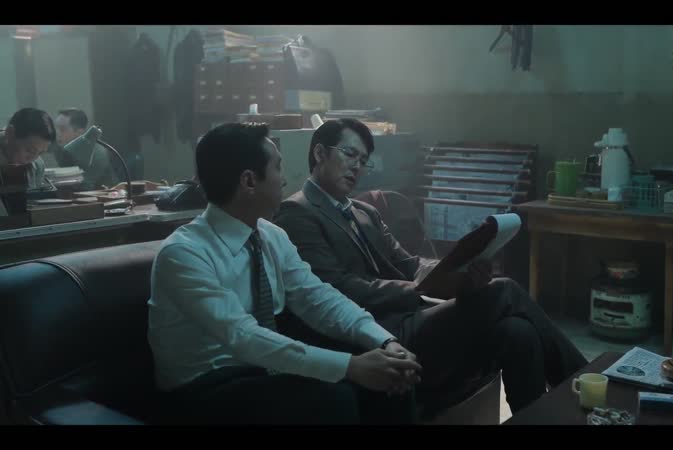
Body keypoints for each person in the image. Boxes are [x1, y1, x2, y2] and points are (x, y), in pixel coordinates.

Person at [274, 118, 589, 414]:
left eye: (363, 160)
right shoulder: (297, 213)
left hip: (409, 317)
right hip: (374, 332)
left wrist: (454, 272)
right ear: (320, 153)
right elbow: (338, 288)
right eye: (349, 154)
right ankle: (589, 382)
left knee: (518, 332)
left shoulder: (364, 212)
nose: (357, 166)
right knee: (505, 290)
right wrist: (418, 291)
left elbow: (410, 263)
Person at [147, 122, 421, 425]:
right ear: (249, 181)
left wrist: (384, 342)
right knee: (334, 398)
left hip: (261, 371)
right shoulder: (184, 253)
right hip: (203, 387)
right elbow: (243, 337)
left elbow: (319, 298)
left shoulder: (271, 236)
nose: (285, 179)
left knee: (389, 376)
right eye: (278, 168)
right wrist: (351, 367)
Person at [53, 108, 117, 189]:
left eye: (62, 129)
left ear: (79, 132)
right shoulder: (62, 149)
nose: (56, 133)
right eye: (55, 128)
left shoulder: (97, 153)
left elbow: (85, 187)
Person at [0, 108, 54, 190]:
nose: (33, 159)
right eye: (30, 150)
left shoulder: (37, 165)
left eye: (40, 153)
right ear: (10, 133)